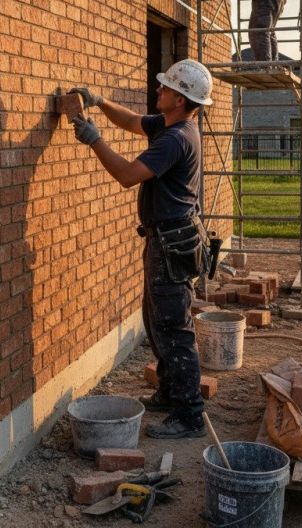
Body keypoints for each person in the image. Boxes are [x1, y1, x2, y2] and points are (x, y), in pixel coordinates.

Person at [69, 59, 214, 439]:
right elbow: (133, 121)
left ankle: (189, 415)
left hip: (172, 242)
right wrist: (98, 102)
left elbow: (127, 176)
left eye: (166, 89)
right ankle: (169, 391)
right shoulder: (171, 124)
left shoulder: (176, 138)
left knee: (173, 326)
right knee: (156, 320)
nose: (158, 91)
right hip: (166, 240)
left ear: (181, 100)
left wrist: (92, 138)